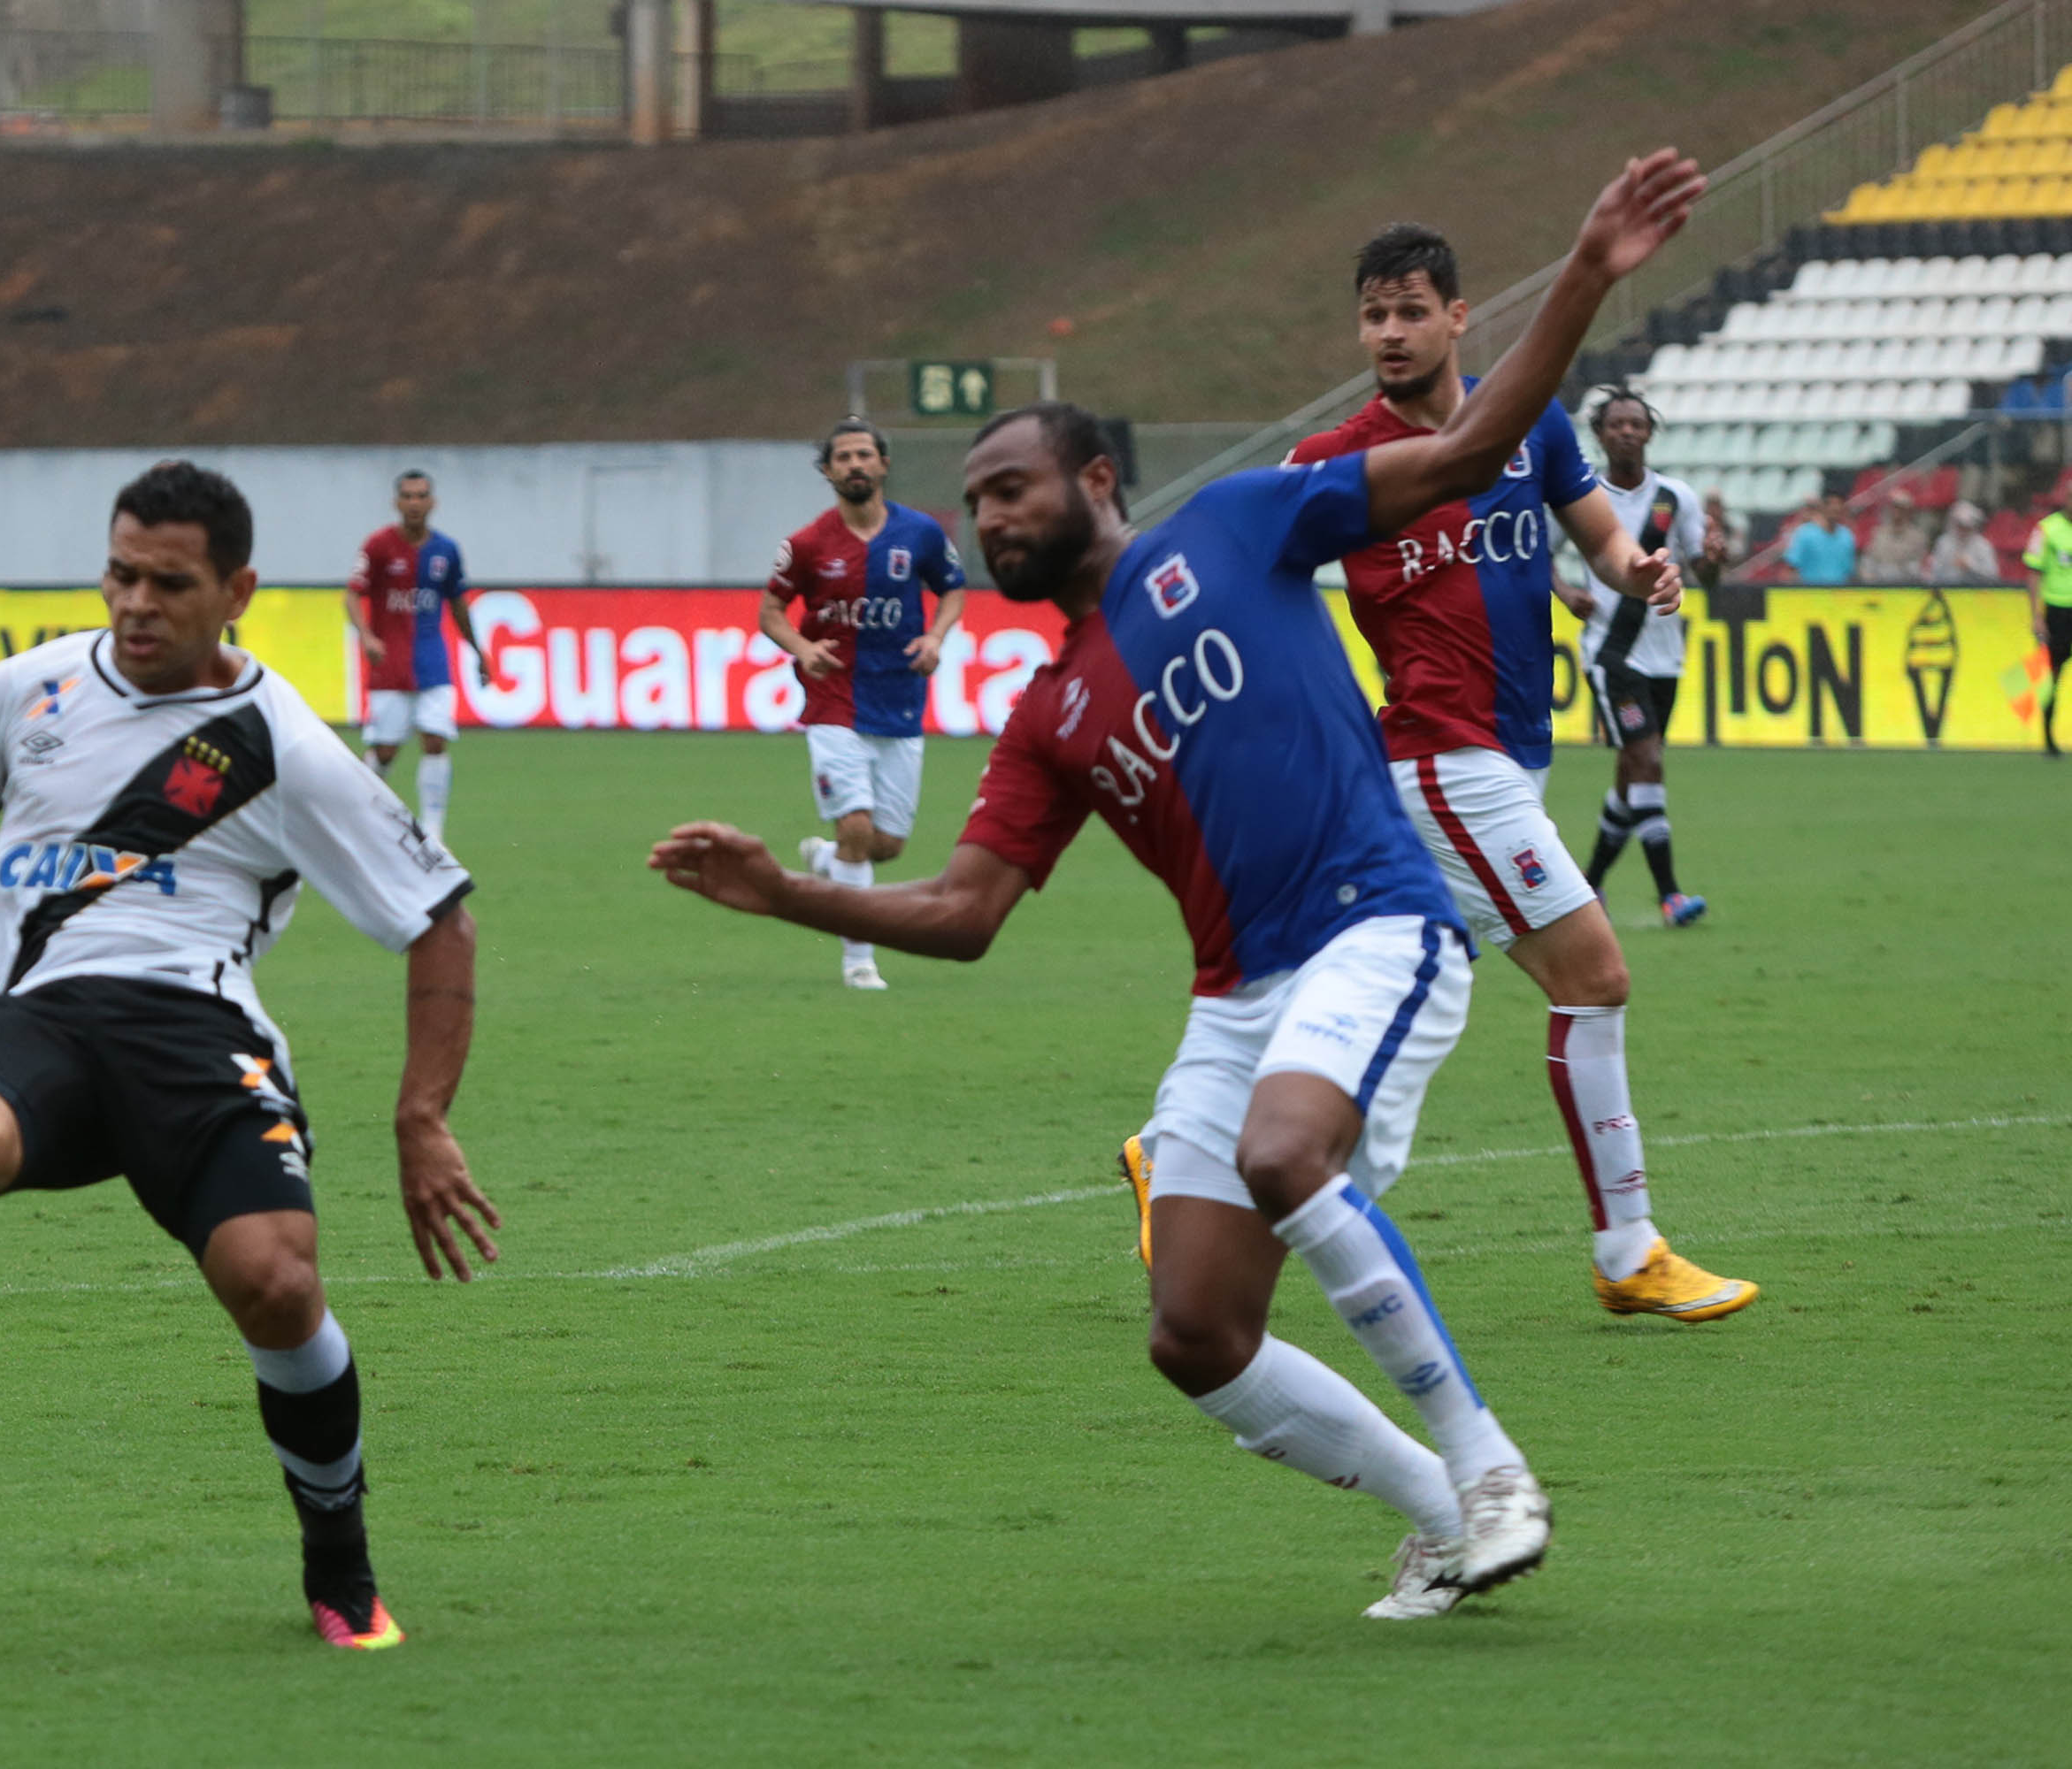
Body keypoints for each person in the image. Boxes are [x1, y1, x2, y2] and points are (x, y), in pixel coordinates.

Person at [656, 149, 1710, 1620]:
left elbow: (1469, 458)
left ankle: (1490, 1466)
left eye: (1011, 485)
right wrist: (787, 896)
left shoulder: (1237, 523)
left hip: (1375, 921)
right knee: (1195, 1334)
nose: (990, 516)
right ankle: (1437, 1517)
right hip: (1238, 995)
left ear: (1095, 480)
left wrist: (1589, 270)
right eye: (973, 502)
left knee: (1292, 1159)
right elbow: (960, 917)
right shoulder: (1048, 712)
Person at [0, 461, 500, 1652]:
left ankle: (338, 1563)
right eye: (120, 572)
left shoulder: (279, 745)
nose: (135, 602)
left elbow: (440, 918)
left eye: (169, 583)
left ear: (238, 591)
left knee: (277, 1282)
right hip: (36, 1021)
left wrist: (421, 1117)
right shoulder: (23, 692)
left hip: (194, 1031)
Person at [1243, 220, 1755, 1322]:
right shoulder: (1338, 459)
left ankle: (1185, 1154)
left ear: (1457, 316)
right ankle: (1628, 1248)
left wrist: (1642, 571)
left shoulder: (1528, 427)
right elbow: (1250, 562)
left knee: (1397, 993)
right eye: (1374, 313)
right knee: (1596, 977)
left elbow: (1602, 543)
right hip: (1441, 757)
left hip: (1506, 758)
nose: (1389, 331)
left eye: (1410, 310)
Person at [760, 417, 967, 989]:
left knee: (885, 846)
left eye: (864, 455)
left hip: (899, 698)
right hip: (833, 701)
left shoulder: (920, 534)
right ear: (828, 471)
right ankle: (859, 959)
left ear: (884, 464)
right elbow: (770, 613)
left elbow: (952, 588)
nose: (855, 465)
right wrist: (802, 648)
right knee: (856, 826)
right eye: (843, 457)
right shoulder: (806, 544)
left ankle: (829, 863)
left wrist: (936, 637)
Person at [1577, 387, 1717, 927]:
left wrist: (1715, 561)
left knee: (1628, 776)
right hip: (1611, 657)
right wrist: (1568, 595)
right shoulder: (1582, 494)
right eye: (1617, 424)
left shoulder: (1674, 498)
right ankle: (1671, 895)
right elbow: (1540, 556)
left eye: (1637, 424)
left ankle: (1588, 888)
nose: (1628, 432)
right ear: (1600, 433)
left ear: (1649, 432)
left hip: (1665, 655)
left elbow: (1705, 572)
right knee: (1648, 761)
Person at [347, 470, 480, 841]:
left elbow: (458, 605)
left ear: (432, 502)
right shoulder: (377, 546)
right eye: (407, 496)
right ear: (397, 502)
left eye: (421, 496)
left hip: (432, 663)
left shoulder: (446, 551)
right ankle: (355, 816)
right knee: (385, 751)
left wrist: (478, 651)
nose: (415, 503)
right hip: (389, 664)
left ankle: (434, 831)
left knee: (436, 740)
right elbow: (351, 595)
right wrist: (367, 635)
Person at [2022, 491, 2072, 756]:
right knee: (2051, 675)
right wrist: (2037, 616)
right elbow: (2033, 572)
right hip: (2057, 611)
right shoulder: (2047, 530)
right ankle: (2048, 737)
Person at [1782, 494, 1856, 586]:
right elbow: (1791, 569)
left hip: (1838, 595)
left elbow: (1849, 572)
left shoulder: (1846, 535)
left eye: (1839, 506)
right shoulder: (1805, 533)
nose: (1836, 509)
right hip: (1811, 595)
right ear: (1823, 508)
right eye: (1832, 506)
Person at [1859, 490, 1930, 583]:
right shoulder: (1878, 533)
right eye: (1894, 507)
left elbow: (1920, 569)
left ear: (1908, 511)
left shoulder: (1918, 537)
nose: (1896, 512)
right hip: (1879, 586)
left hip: (1905, 586)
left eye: (1900, 508)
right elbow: (1867, 562)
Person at [1925, 499, 1999, 585]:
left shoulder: (1983, 546)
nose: (1963, 530)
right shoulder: (1944, 542)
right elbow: (1933, 572)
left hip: (1973, 592)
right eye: (1960, 525)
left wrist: (1971, 566)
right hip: (1945, 589)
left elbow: (1992, 576)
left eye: (1966, 527)